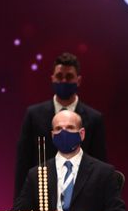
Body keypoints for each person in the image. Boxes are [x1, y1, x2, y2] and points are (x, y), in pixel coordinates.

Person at [13, 52, 107, 199]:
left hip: (83, 198)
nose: (63, 81)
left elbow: (100, 164)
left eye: (69, 77)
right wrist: (19, 209)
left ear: (79, 80)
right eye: (59, 76)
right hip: (41, 197)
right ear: (52, 78)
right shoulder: (33, 115)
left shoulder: (94, 119)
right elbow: (23, 163)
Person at [13, 110, 128, 211]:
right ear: (53, 136)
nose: (64, 133)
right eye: (58, 129)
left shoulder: (103, 172)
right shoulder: (36, 174)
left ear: (82, 134)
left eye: (70, 128)